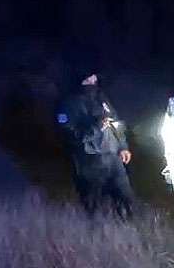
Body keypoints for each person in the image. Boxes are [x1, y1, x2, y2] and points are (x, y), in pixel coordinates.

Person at [55, 71, 136, 218]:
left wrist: (123, 147)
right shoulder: (69, 104)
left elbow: (116, 122)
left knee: (125, 197)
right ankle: (94, 234)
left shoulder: (101, 98)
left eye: (94, 77)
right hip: (89, 160)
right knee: (93, 203)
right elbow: (71, 135)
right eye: (89, 78)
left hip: (113, 155)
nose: (93, 80)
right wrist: (96, 128)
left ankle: (129, 228)